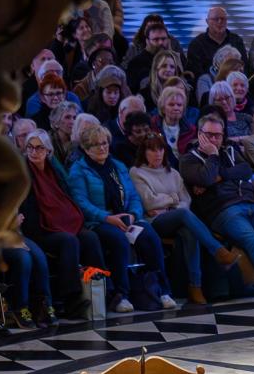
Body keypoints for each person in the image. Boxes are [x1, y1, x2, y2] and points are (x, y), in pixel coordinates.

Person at [179, 113, 254, 300]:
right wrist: (212, 156)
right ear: (199, 134)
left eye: (218, 135)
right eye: (209, 135)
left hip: (249, 202)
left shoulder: (230, 150)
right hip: (223, 210)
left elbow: (245, 170)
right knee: (252, 240)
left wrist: (220, 176)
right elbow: (205, 177)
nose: (214, 139)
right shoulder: (189, 159)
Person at [67, 123, 177, 314]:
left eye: (104, 143)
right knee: (118, 240)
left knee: (149, 235)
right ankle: (121, 295)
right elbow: (81, 203)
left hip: (126, 218)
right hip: (99, 221)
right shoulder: (78, 170)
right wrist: (108, 218)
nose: (102, 148)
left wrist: (133, 215)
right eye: (96, 145)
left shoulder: (117, 166)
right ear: (85, 148)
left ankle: (162, 290)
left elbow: (133, 195)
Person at [130, 134, 244, 304]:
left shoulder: (173, 173)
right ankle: (218, 251)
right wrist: (174, 200)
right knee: (184, 215)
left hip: (173, 217)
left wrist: (168, 205)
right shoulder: (137, 172)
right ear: (144, 153)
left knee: (189, 231)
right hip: (152, 222)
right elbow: (149, 202)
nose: (157, 154)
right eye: (152, 150)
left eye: (160, 149)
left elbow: (187, 201)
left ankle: (195, 286)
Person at [17, 131, 101, 319]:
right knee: (68, 241)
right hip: (39, 228)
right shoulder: (23, 173)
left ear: (48, 151)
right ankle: (69, 300)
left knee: (90, 237)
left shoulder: (53, 170)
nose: (34, 152)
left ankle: (100, 290)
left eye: (39, 148)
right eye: (30, 147)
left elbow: (65, 199)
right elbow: (27, 210)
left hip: (60, 222)